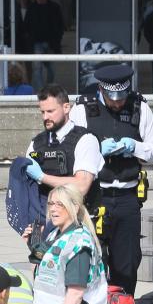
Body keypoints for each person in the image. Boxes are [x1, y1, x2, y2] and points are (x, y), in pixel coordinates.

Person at [69, 64, 153, 295]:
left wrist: (135, 147)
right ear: (101, 89)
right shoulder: (82, 109)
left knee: (127, 264)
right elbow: (71, 152)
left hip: (127, 196)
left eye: (122, 96)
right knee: (92, 261)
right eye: (112, 97)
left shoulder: (139, 107)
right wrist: (96, 150)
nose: (118, 102)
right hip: (94, 197)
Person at [25, 84, 104, 214]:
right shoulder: (36, 143)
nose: (45, 117)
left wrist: (42, 177)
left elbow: (81, 186)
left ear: (66, 107)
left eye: (50, 111)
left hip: (79, 220)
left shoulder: (85, 140)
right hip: (46, 219)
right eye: (42, 112)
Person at [27, 0, 64, 88]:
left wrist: (58, 39)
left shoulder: (55, 7)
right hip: (36, 43)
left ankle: (48, 88)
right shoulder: (32, 8)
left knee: (52, 69)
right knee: (37, 69)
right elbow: (27, 25)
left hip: (51, 43)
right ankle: (42, 91)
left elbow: (61, 25)